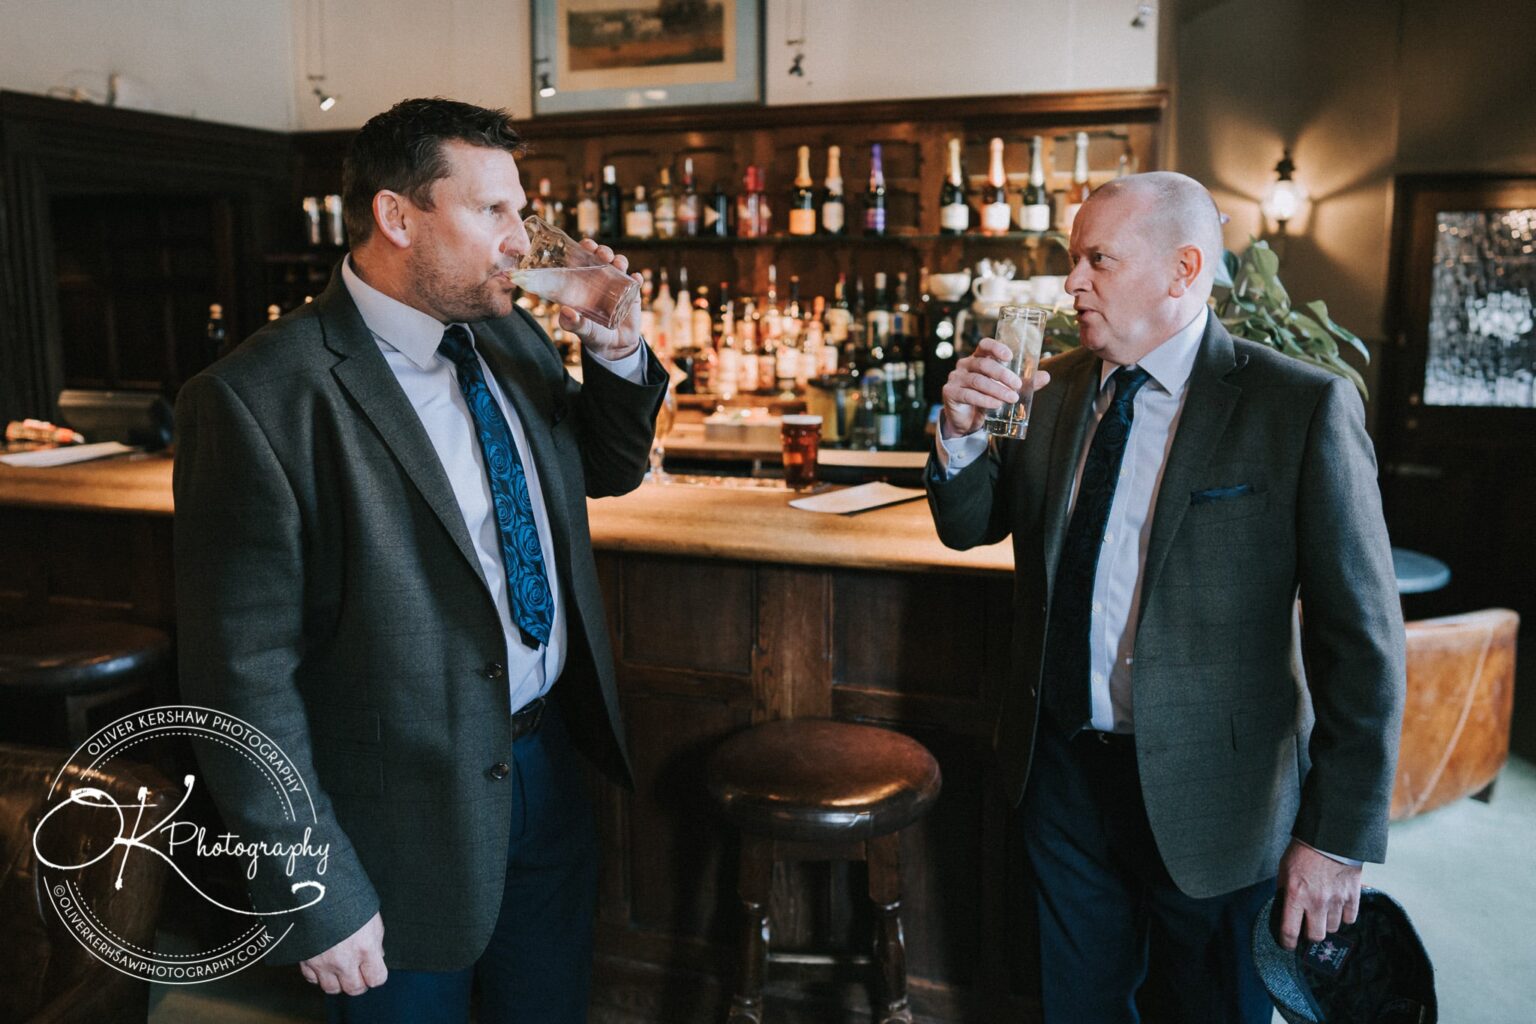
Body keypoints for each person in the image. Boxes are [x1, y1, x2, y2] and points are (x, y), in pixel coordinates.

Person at [174, 97, 664, 1023]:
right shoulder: (256, 399)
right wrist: (313, 887)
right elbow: (238, 683)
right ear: (398, 217)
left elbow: (604, 470)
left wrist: (615, 344)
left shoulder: (512, 335)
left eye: (521, 211)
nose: (524, 241)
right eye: (494, 213)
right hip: (393, 824)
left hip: (551, 763)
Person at [927, 171, 1405, 1023]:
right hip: (1062, 775)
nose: (1070, 283)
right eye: (1073, 260)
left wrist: (1334, 837)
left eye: (1097, 260)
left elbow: (1361, 642)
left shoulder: (1301, 406)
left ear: (1184, 269)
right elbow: (974, 526)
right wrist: (963, 441)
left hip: (1218, 799)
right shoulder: (1052, 386)